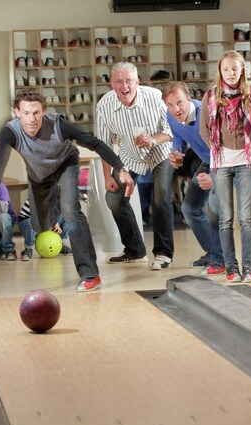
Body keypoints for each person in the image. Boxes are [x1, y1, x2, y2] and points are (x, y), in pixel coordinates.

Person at [0, 88, 131, 292]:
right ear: (17, 112)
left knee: (71, 212)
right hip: (39, 176)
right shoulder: (10, 131)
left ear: (44, 111)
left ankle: (90, 274)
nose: (32, 119)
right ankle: (56, 200)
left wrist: (121, 168)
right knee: (40, 225)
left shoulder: (59, 124)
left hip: (66, 164)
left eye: (37, 112)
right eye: (27, 113)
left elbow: (95, 143)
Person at [95, 61, 175, 270]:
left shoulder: (155, 97)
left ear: (137, 81)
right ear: (111, 84)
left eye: (129, 81)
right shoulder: (104, 106)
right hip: (129, 155)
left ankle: (163, 253)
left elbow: (169, 133)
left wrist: (153, 140)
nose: (125, 86)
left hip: (159, 150)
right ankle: (135, 250)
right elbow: (103, 145)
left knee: (161, 196)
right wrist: (108, 176)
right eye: (119, 81)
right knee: (113, 198)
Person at [199, 50, 251, 283]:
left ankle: (249, 267)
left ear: (242, 70)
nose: (231, 73)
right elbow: (204, 129)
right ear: (220, 71)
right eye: (226, 69)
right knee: (225, 218)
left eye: (235, 68)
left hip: (246, 161)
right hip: (221, 163)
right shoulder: (211, 96)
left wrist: (244, 151)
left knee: (246, 218)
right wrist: (217, 150)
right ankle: (231, 267)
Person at [162, 80, 224, 275]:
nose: (175, 109)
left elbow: (224, 144)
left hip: (223, 162)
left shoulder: (207, 114)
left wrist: (216, 177)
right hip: (206, 161)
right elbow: (177, 135)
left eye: (180, 103)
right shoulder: (171, 117)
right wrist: (177, 151)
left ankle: (220, 260)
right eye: (170, 105)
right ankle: (213, 253)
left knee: (214, 209)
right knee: (189, 208)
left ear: (189, 99)